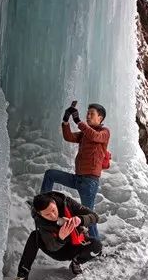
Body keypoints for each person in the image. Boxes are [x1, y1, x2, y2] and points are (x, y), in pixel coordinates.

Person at [40, 102, 110, 241]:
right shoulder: (85, 134)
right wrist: (66, 120)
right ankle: (43, 204)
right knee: (50, 174)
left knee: (88, 216)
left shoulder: (104, 132)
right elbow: (69, 137)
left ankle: (96, 247)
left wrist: (78, 121)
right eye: (87, 113)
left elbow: (94, 136)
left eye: (92, 114)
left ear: (100, 118)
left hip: (89, 182)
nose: (88, 116)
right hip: (77, 178)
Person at [9, 192, 103, 280]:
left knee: (97, 246)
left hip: (77, 245)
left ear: (54, 202)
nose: (53, 215)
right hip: (58, 250)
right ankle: (22, 277)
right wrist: (60, 238)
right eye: (47, 214)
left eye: (53, 210)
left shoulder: (67, 202)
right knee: (34, 236)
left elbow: (95, 217)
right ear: (40, 214)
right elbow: (51, 247)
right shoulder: (40, 220)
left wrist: (81, 220)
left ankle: (76, 262)